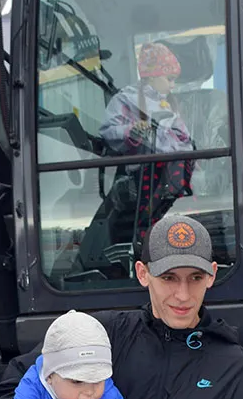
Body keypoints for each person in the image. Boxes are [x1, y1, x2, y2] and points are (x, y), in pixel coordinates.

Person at [0, 214, 243, 399]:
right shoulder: (100, 335)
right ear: (143, 274)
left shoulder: (239, 369)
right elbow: (9, 396)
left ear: (212, 275)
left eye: (195, 278)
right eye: (168, 278)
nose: (183, 295)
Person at [76, 42, 197, 275]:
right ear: (152, 76)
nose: (173, 86)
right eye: (169, 79)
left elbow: (185, 139)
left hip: (170, 177)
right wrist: (132, 131)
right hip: (141, 177)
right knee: (143, 221)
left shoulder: (170, 103)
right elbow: (109, 132)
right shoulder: (126, 100)